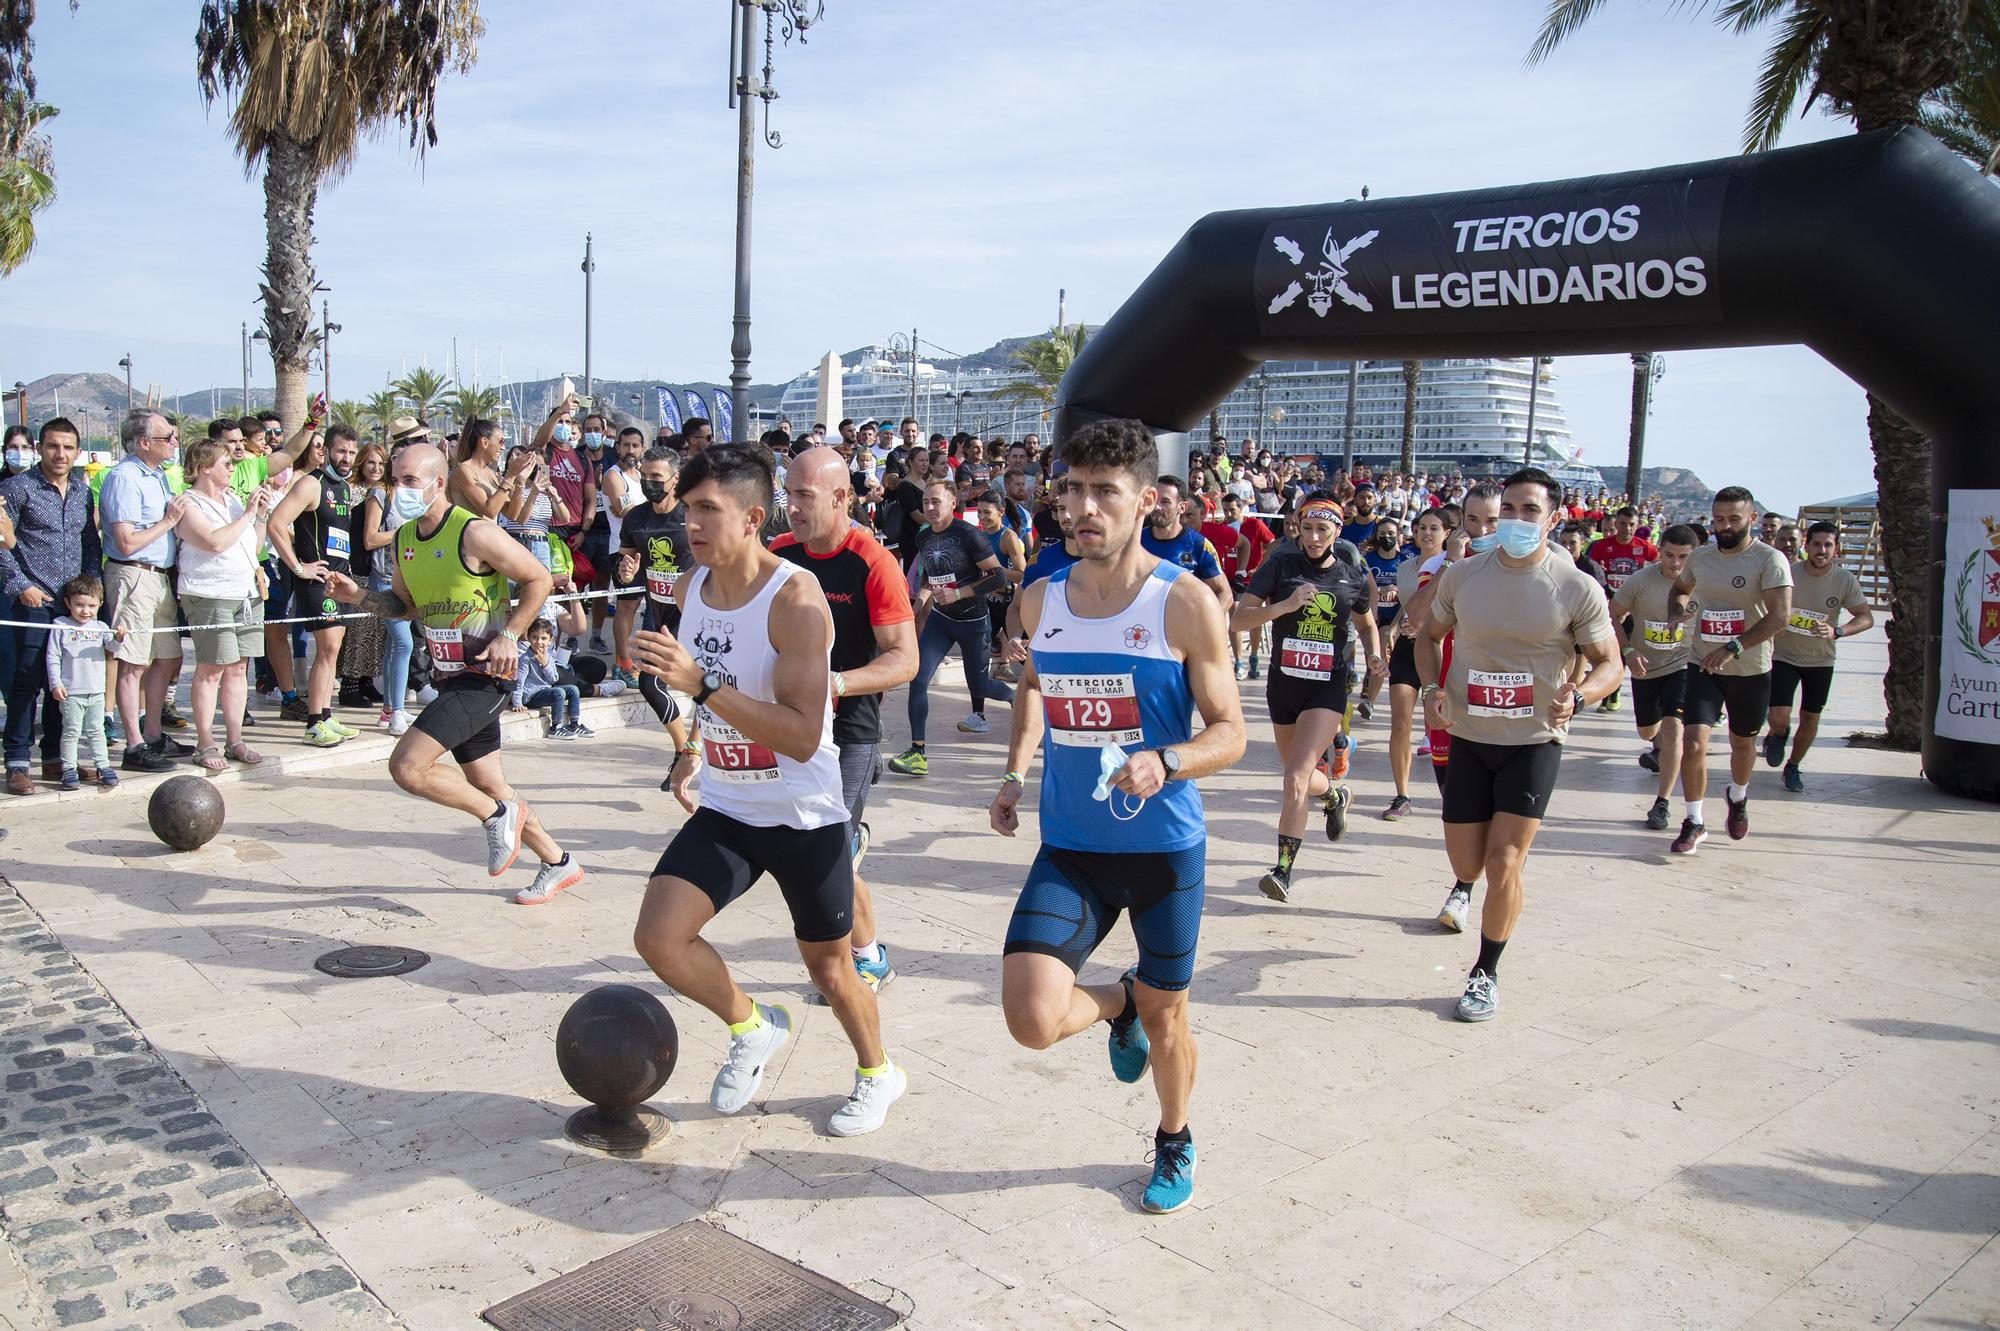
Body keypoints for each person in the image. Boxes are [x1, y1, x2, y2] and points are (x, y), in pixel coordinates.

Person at [990, 417, 1245, 1214]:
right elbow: (1035, 689)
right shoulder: (1040, 597)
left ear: (1146, 501)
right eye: (1072, 489)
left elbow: (1232, 731)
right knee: (1031, 1017)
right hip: (1071, 844)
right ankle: (1118, 1000)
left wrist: (1167, 759)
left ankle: (1175, 1136)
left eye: (1105, 490)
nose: (1083, 506)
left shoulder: (1186, 603)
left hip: (1163, 847)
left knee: (1172, 1020)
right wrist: (1014, 771)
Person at [628, 443, 904, 1137]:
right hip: (729, 804)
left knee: (833, 971)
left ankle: (878, 1072)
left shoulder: (796, 601)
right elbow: (694, 692)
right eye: (687, 508)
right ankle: (752, 1026)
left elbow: (805, 735)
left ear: (752, 517)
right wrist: (691, 747)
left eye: (706, 510)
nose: (690, 524)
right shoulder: (690, 588)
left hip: (802, 815)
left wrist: (704, 686)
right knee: (659, 937)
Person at [324, 446, 585, 906]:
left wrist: (511, 634)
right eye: (395, 479)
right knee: (490, 783)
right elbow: (403, 607)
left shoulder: (475, 532)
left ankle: (495, 817)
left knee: (407, 766)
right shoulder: (404, 539)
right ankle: (558, 862)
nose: (399, 489)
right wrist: (358, 595)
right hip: (449, 676)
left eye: (409, 480)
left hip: (487, 676)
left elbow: (539, 578)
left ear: (437, 483)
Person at [1415, 467, 1619, 1023]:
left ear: (1554, 518)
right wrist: (1434, 688)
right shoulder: (1464, 576)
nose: (1516, 519)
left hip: (1533, 741)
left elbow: (1610, 664)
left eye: (1530, 510)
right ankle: (1469, 893)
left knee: (1506, 862)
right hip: (1469, 737)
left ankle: (1485, 972)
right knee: (1468, 861)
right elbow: (1428, 639)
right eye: (1509, 508)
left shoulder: (1575, 586)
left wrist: (1579, 696)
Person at [772, 446, 919, 993]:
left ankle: (869, 956)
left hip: (849, 729)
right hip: (785, 721)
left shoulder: (871, 562)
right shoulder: (781, 552)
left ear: (840, 498)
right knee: (811, 844)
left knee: (830, 848)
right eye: (787, 494)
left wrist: (838, 681)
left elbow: (905, 659)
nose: (792, 507)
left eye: (804, 496)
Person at [1229, 493, 1382, 900]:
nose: (1314, 537)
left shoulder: (1351, 575)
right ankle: (1333, 795)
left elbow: (1367, 625)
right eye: (1307, 528)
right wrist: (1283, 605)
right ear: (1297, 526)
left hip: (1326, 687)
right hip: (1283, 686)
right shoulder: (1280, 564)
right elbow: (1239, 618)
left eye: (1322, 529)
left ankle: (1281, 871)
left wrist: (1376, 657)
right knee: (1301, 777)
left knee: (1294, 778)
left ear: (1337, 530)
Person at [1667, 487, 1793, 853]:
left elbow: (1780, 616)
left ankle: (1737, 797)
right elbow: (1680, 589)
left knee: (1742, 744)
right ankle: (1694, 821)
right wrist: (1677, 612)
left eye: (1734, 519)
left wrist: (1733, 646)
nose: (1725, 526)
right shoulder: (1701, 557)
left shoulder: (1769, 560)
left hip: (1751, 669)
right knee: (1693, 744)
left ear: (1752, 518)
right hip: (1702, 664)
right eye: (1719, 519)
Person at [1, 418, 106, 791]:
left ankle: (55, 760)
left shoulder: (82, 492)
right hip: (32, 601)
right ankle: (16, 761)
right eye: (51, 446)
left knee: (63, 682)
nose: (59, 454)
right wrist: (20, 585)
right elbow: (0, 542)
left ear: (77, 452)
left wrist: (90, 589)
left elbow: (90, 544)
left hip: (71, 605)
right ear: (39, 449)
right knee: (26, 680)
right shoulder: (16, 489)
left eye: (67, 447)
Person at [886, 480, 1013, 775]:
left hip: (973, 623)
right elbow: (933, 575)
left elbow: (998, 578)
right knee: (918, 680)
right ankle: (917, 753)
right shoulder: (924, 537)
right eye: (926, 502)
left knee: (979, 686)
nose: (929, 508)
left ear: (953, 503)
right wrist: (919, 605)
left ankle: (1015, 698)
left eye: (936, 502)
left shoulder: (969, 535)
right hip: (941, 622)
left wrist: (960, 593)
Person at [176, 436, 276, 770]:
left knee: (237, 669)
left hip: (245, 593)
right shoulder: (187, 503)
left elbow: (252, 543)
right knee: (211, 669)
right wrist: (248, 512)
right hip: (209, 593)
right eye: (227, 463)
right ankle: (205, 742)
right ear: (205, 467)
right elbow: (215, 542)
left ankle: (235, 740)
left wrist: (259, 515)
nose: (233, 468)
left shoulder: (233, 500)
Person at [99, 410, 191, 774]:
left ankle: (153, 734)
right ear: (142, 442)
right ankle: (134, 744)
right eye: (167, 436)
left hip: (161, 577)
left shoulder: (159, 477)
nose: (173, 441)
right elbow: (125, 541)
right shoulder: (124, 478)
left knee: (166, 659)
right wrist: (167, 522)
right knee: (132, 662)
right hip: (133, 575)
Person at [267, 425, 361, 748]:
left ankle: (325, 713)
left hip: (340, 579)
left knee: (333, 648)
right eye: (340, 451)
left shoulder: (345, 488)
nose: (346, 458)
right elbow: (276, 523)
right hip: (317, 580)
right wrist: (298, 567)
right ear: (325, 452)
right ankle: (312, 723)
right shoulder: (311, 484)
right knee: (327, 649)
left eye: (351, 452)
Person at [1763, 521, 1873, 792]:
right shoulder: (1788, 573)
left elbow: (1866, 617)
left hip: (1821, 661)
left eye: (1828, 545)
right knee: (1779, 715)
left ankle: (1793, 766)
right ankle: (1778, 735)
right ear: (1806, 546)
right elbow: (1762, 604)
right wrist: (1772, 626)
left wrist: (1837, 631)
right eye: (1816, 544)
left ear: (1837, 549)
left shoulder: (1844, 580)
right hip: (1784, 656)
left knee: (1810, 717)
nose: (1821, 550)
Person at [1610, 525, 1701, 830]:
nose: (1676, 564)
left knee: (1676, 728)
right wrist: (1627, 651)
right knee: (1648, 731)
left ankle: (1662, 803)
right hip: (1646, 666)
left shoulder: (1705, 583)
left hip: (1684, 663)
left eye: (1684, 557)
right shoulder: (1640, 581)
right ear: (1659, 550)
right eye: (1670, 555)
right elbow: (1613, 615)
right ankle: (1658, 747)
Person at [1383, 507, 1450, 819]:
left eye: (1434, 528)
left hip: (1439, 649)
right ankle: (1402, 794)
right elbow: (1406, 607)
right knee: (1401, 723)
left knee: (1444, 723)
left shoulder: (1456, 566)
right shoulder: (1406, 566)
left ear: (1447, 533)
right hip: (1406, 651)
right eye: (1421, 527)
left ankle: (1453, 792)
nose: (1426, 533)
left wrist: (1429, 628)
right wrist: (1393, 628)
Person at [359, 442, 416, 734]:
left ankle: (388, 708)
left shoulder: (412, 497)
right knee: (404, 643)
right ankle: (397, 711)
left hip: (408, 579)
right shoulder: (379, 494)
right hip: (383, 577)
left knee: (396, 645)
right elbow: (370, 539)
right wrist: (405, 533)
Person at [43, 575, 119, 791]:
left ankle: (103, 767)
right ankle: (68, 769)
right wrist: (55, 684)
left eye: (91, 606)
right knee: (71, 731)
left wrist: (119, 638)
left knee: (97, 731)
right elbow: (52, 657)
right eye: (79, 605)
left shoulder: (101, 626)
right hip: (72, 692)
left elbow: (113, 648)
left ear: (99, 605)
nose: (85, 611)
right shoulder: (60, 625)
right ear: (67, 603)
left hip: (96, 691)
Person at [1586, 505, 1657, 714]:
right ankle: (1605, 689)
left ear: (1638, 526)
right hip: (1607, 607)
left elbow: (1659, 565)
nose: (1627, 529)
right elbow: (1590, 572)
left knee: (1623, 648)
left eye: (1632, 525)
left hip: (1632, 609)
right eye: (1623, 524)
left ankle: (1614, 691)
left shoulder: (1645, 547)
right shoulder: (1601, 546)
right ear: (1615, 524)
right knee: (1603, 649)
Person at [336, 442, 390, 710]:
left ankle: (367, 679)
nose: (376, 468)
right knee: (357, 630)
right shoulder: (351, 491)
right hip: (355, 566)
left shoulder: (384, 491)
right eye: (371, 462)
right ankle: (349, 685)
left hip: (376, 568)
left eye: (381, 463)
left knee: (374, 630)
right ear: (361, 463)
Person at [1141, 476, 1233, 611]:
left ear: (1182, 507)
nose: (1157, 507)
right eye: (1155, 500)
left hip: (1182, 626)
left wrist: (1206, 623)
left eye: (1165, 501)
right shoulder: (1136, 540)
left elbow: (1224, 593)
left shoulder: (1199, 545)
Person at [1357, 517, 1408, 719]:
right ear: (1376, 535)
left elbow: (1410, 595)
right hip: (1371, 616)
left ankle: (1370, 701)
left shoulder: (1404, 561)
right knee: (1377, 656)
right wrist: (1380, 590)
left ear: (1398, 536)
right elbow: (1360, 589)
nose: (1387, 537)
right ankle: (1369, 694)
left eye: (1391, 534)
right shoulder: (1368, 560)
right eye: (1383, 534)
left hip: (1395, 617)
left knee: (1382, 656)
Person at [512, 620, 588, 737]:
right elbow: (519, 682)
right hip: (532, 695)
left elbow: (554, 679)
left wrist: (545, 664)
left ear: (550, 640)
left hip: (546, 690)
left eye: (543, 638)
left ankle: (574, 723)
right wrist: (517, 703)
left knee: (573, 689)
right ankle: (556, 727)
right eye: (535, 637)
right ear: (528, 638)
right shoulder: (525, 659)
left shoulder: (548, 656)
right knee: (559, 692)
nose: (539, 642)